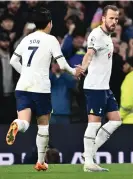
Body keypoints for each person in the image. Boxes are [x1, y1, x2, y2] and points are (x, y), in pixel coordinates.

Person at [6, 7, 83, 171]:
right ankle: (40, 162)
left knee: (25, 122)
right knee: (43, 126)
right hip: (40, 87)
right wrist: (74, 71)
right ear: (49, 24)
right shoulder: (51, 40)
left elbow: (13, 61)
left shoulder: (26, 39)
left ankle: (17, 125)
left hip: (23, 86)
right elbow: (61, 64)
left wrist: (25, 73)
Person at [80, 5, 122, 172]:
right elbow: (89, 53)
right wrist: (83, 67)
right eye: (111, 18)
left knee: (116, 121)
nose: (114, 21)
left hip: (104, 87)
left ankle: (89, 152)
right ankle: (88, 162)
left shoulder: (107, 36)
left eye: (116, 19)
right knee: (94, 124)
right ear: (103, 18)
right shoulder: (96, 35)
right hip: (94, 87)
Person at [120, 57, 133, 124]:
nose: (123, 65)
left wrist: (120, 116)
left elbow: (127, 104)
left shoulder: (130, 78)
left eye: (126, 63)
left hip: (130, 121)